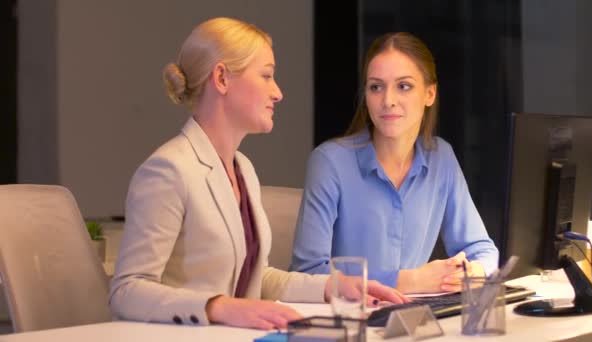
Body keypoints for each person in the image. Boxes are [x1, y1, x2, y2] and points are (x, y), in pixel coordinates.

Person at [109, 17, 406, 330]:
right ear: (221, 78)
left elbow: (256, 278)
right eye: (267, 76)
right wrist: (217, 306)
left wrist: (333, 287)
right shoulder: (169, 169)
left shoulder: (243, 169)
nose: (277, 93)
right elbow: (127, 291)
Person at [289, 32, 499, 294]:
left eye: (404, 86)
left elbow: (483, 250)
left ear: (430, 93)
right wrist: (410, 281)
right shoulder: (330, 162)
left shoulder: (441, 157)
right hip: (348, 321)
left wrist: (471, 272)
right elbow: (307, 273)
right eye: (376, 87)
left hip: (412, 320)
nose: (388, 100)